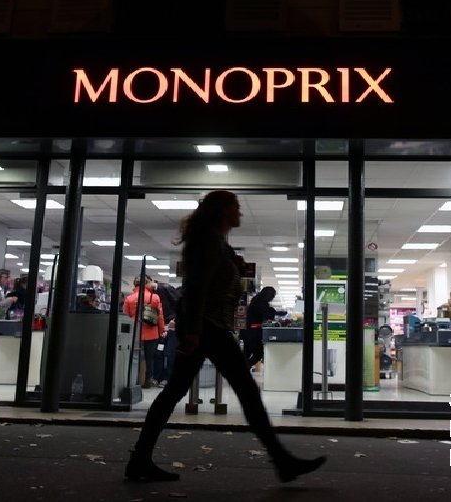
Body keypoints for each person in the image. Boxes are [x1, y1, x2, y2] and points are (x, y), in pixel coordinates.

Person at [125, 190, 326, 483]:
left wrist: (235, 264)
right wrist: (193, 332)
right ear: (221, 211)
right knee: (245, 391)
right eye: (235, 207)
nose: (239, 213)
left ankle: (140, 459)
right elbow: (196, 289)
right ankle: (282, 461)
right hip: (207, 328)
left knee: (175, 393)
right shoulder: (207, 243)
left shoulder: (216, 243)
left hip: (208, 327)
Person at [123, 275, 165, 388]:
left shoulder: (129, 298)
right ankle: (147, 380)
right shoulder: (154, 297)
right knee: (149, 358)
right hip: (151, 332)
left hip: (135, 333)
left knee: (134, 357)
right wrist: (162, 330)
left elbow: (125, 317)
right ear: (146, 284)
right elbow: (160, 316)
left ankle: (133, 380)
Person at [148, 277, 181, 386]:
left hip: (172, 328)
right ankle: (159, 377)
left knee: (170, 354)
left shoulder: (166, 289)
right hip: (162, 328)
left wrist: (174, 320)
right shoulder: (151, 295)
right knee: (160, 353)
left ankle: (168, 378)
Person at [240, 286, 277, 369]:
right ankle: (244, 368)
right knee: (259, 353)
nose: (273, 298)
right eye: (273, 296)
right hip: (253, 332)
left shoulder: (257, 301)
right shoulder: (261, 303)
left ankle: (241, 370)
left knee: (247, 353)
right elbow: (268, 315)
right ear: (269, 295)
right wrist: (273, 310)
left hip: (248, 331)